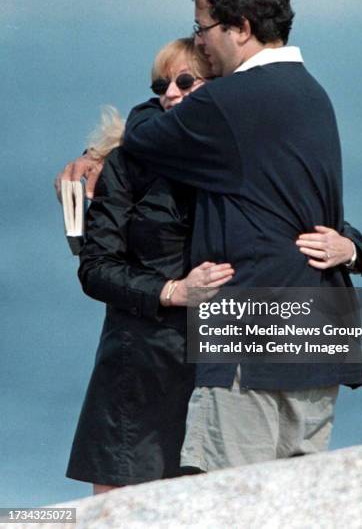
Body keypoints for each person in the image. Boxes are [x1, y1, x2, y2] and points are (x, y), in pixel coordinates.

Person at [57, 0, 362, 474]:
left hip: (248, 331)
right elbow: (301, 205)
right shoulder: (315, 95)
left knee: (232, 504)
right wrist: (353, 247)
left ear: (240, 28)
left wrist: (101, 150)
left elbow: (145, 133)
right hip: (319, 336)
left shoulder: (228, 101)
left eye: (202, 29)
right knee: (298, 505)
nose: (200, 40)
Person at [66, 37, 234, 494]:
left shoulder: (242, 157)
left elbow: (308, 213)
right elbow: (95, 267)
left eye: (185, 81)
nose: (171, 93)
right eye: (163, 84)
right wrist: (171, 290)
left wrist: (349, 246)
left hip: (217, 368)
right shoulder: (127, 162)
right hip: (137, 364)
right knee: (116, 512)